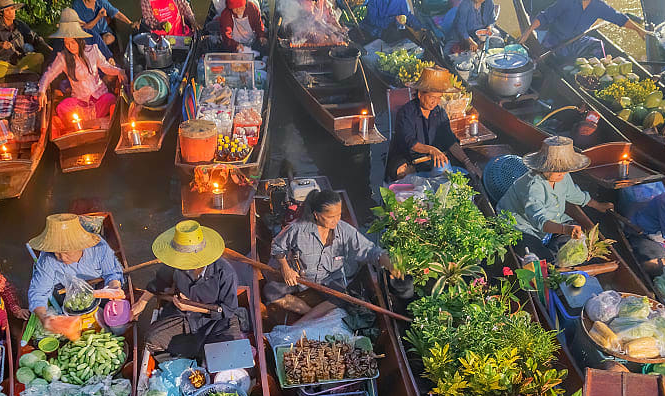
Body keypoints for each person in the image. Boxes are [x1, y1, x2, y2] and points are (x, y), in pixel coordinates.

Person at [266, 189, 399, 316]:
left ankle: (313, 318)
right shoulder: (298, 229)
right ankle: (310, 315)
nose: (336, 220)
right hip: (301, 278)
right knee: (271, 291)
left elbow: (369, 250)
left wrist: (386, 260)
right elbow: (277, 246)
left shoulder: (344, 230)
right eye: (330, 217)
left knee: (343, 298)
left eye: (339, 215)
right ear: (316, 215)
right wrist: (286, 268)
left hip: (329, 279)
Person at [130, 220, 243, 357]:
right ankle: (189, 357)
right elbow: (158, 282)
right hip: (185, 318)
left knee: (228, 354)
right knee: (151, 339)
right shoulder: (175, 264)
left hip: (216, 322)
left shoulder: (225, 272)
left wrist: (191, 307)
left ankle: (198, 355)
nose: (180, 263)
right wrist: (142, 302)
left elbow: (228, 310)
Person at [496, 136, 614, 259]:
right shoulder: (532, 186)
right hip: (521, 226)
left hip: (554, 220)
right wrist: (565, 229)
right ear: (544, 167)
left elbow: (574, 194)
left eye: (565, 170)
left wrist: (598, 205)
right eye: (558, 170)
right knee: (541, 260)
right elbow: (539, 220)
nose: (562, 174)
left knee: (582, 246)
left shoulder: (562, 175)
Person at [28, 214, 126, 335]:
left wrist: (114, 287)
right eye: (57, 253)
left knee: (119, 326)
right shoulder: (47, 257)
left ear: (81, 245)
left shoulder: (99, 247)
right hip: (64, 290)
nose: (62, 258)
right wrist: (44, 318)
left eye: (66, 252)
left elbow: (112, 273)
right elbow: (38, 293)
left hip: (97, 283)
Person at [40, 10, 126, 127]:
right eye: (66, 43)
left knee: (110, 99)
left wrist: (119, 71)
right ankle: (93, 122)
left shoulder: (93, 50)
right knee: (62, 107)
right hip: (80, 101)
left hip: (99, 97)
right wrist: (41, 91)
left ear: (80, 40)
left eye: (72, 42)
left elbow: (106, 67)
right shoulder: (63, 58)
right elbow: (48, 74)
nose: (69, 46)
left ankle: (87, 123)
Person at [386, 66, 466, 180]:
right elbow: (410, 142)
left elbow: (450, 141)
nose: (435, 102)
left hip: (432, 158)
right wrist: (432, 150)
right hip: (408, 158)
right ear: (420, 95)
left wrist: (467, 162)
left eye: (439, 98)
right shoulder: (406, 112)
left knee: (455, 169)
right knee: (401, 171)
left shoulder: (440, 113)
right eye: (432, 97)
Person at [517, 0, 647, 58]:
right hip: (555, 40)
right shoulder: (567, 2)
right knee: (558, 59)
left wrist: (639, 30)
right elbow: (545, 16)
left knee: (598, 45)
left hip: (577, 39)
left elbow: (619, 18)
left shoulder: (599, 5)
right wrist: (528, 31)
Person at [0, 0, 49, 78]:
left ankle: (19, 71)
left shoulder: (19, 24)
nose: (11, 12)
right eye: (7, 10)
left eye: (12, 8)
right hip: (6, 64)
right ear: (1, 13)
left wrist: (48, 48)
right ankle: (22, 72)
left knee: (39, 57)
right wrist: (0, 44)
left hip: (22, 60)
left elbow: (35, 38)